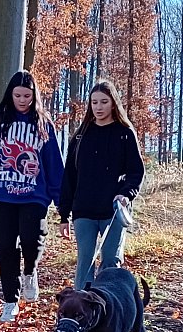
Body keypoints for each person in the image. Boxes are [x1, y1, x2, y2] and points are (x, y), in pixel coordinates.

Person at [0, 70, 64, 323]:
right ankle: (10, 301)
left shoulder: (43, 125)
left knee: (31, 240)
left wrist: (62, 203)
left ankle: (30, 271)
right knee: (4, 247)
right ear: (10, 94)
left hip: (33, 195)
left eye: (27, 96)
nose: (22, 100)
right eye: (18, 95)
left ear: (34, 96)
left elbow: (53, 164)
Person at [59, 79, 145, 291]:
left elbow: (136, 171)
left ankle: (110, 304)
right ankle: (83, 305)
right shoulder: (81, 136)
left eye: (104, 102)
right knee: (85, 261)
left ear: (113, 103)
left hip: (114, 210)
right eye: (94, 102)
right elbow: (69, 177)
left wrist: (126, 194)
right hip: (84, 210)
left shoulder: (125, 134)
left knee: (111, 261)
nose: (98, 107)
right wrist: (64, 215)